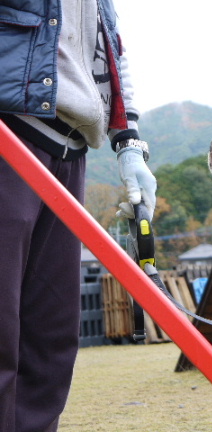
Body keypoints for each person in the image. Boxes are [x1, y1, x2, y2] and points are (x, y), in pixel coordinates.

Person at [0, 1, 157, 431]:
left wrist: (129, 142)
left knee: (51, 340)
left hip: (70, 152)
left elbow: (112, 57)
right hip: (10, 135)